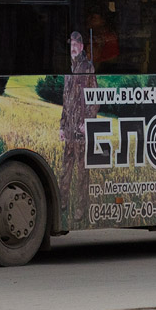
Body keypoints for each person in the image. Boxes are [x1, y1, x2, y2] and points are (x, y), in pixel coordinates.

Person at [59, 31, 97, 221]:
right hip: (69, 129)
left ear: (82, 47)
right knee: (65, 169)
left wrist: (87, 122)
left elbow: (95, 98)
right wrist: (61, 126)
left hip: (81, 131)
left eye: (76, 44)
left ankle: (81, 209)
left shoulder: (88, 67)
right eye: (71, 44)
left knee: (82, 172)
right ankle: (62, 204)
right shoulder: (68, 69)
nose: (72, 47)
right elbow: (66, 101)